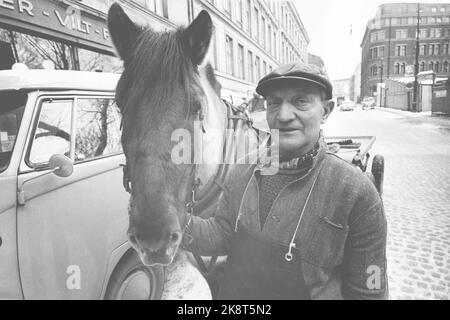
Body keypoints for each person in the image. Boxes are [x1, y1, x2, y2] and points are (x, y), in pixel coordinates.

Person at [182, 62, 388, 300]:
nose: (283, 115)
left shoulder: (357, 193)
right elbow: (222, 234)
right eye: (274, 102)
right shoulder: (242, 171)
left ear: (326, 110)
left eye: (301, 101)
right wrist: (175, 221)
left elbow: (370, 289)